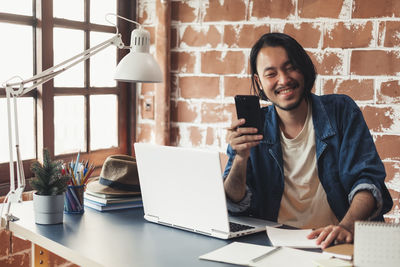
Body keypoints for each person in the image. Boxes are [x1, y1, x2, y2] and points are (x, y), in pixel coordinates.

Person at [223, 32, 393, 249]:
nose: (284, 80)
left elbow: (367, 181)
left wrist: (346, 227)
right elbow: (235, 204)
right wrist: (240, 158)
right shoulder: (251, 129)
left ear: (303, 68)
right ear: (259, 82)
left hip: (336, 243)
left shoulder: (340, 111)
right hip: (275, 245)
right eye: (271, 73)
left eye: (290, 67)